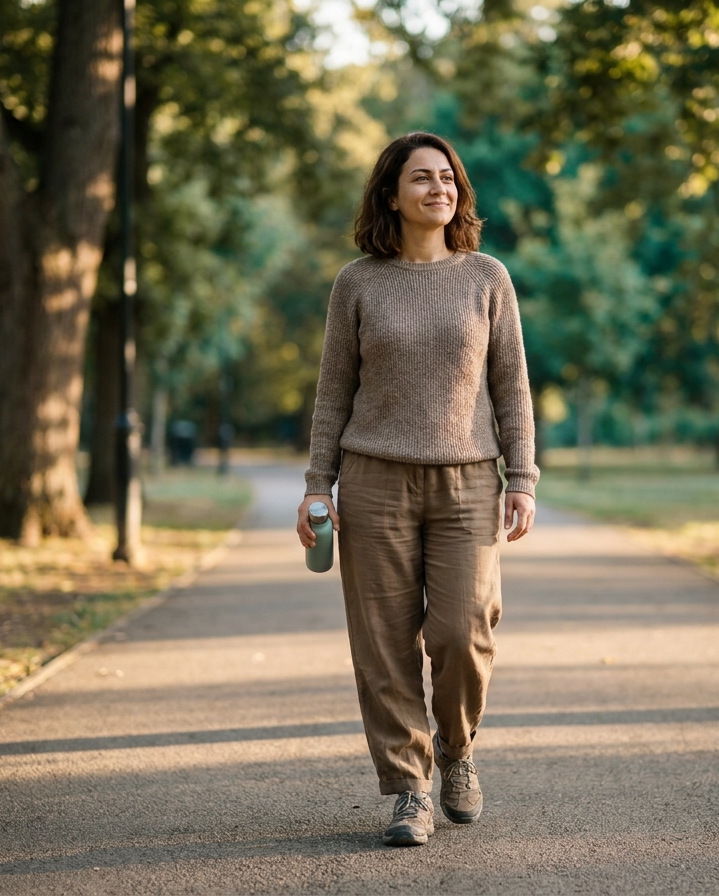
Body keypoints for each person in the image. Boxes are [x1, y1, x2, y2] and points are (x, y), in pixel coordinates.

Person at [297, 131, 538, 847]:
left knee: (464, 632)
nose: (439, 189)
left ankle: (457, 751)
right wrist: (318, 485)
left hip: (467, 481)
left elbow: (512, 387)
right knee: (383, 646)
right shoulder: (358, 283)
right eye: (422, 179)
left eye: (448, 179)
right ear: (392, 195)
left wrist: (520, 477)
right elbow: (332, 391)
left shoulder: (487, 278)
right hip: (373, 480)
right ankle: (409, 788)